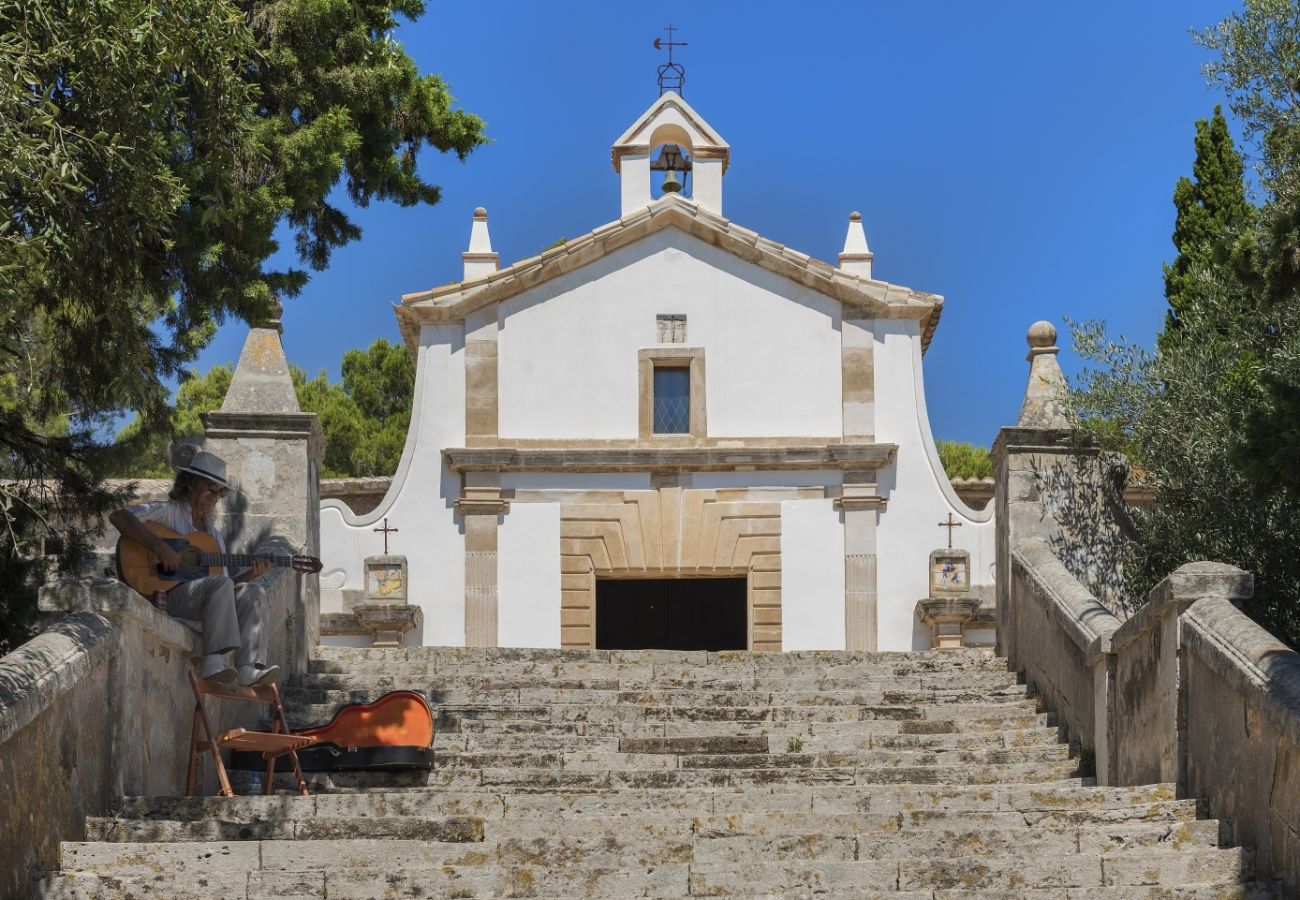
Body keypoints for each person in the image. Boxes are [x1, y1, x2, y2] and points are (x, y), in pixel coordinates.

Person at [109, 445, 280, 687]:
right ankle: (212, 663)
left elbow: (223, 589)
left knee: (254, 591)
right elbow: (119, 517)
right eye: (211, 490)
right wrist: (160, 547)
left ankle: (247, 668)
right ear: (190, 484)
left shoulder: (214, 536)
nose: (215, 498)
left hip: (203, 604)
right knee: (219, 585)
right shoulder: (168, 513)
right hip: (172, 597)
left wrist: (250, 575)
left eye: (220, 493)